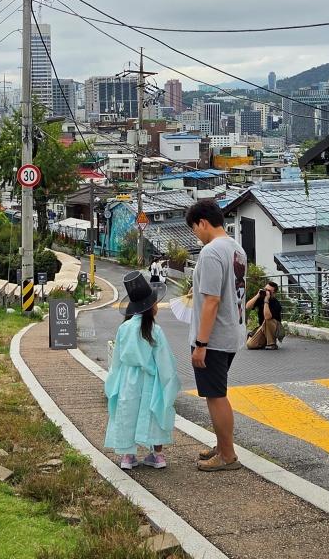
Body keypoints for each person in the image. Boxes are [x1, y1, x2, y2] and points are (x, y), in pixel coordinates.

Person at [184, 199, 246, 472]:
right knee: (216, 392)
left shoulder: (210, 252)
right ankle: (222, 446)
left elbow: (211, 301)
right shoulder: (236, 248)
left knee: (215, 395)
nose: (195, 234)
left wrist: (201, 343)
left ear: (203, 223)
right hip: (232, 332)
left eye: (194, 228)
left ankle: (228, 455)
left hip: (214, 338)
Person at [105, 273, 179, 471]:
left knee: (127, 412)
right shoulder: (155, 330)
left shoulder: (125, 328)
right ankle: (157, 455)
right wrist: (168, 384)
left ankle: (128, 456)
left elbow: (117, 360)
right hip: (151, 378)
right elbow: (165, 361)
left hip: (128, 379)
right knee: (155, 411)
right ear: (150, 307)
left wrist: (113, 383)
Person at [245, 280, 283, 350]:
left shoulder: (276, 304)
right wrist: (258, 295)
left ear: (274, 293)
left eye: (269, 291)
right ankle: (264, 341)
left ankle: (272, 343)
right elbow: (247, 306)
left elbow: (267, 317)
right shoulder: (260, 299)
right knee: (250, 345)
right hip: (262, 327)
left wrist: (266, 301)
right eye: (265, 289)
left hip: (275, 329)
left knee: (268, 320)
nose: (266, 292)